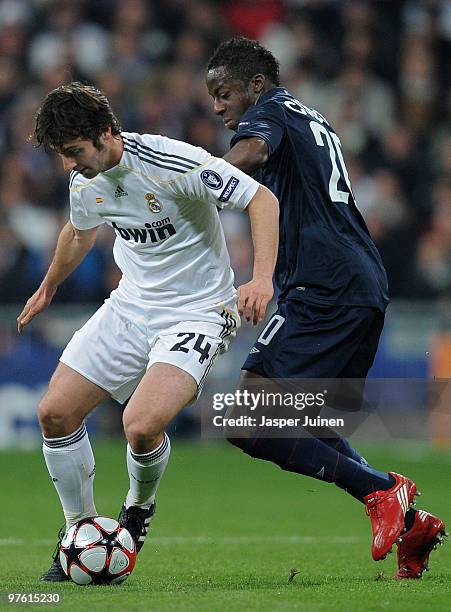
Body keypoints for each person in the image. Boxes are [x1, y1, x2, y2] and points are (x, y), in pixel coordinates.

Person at [17, 82, 279, 581]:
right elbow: (78, 231)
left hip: (199, 311)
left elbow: (261, 200)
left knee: (139, 424)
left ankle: (137, 509)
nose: (69, 166)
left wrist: (261, 277)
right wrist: (48, 287)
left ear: (105, 133)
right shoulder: (85, 179)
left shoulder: (173, 162)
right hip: (131, 308)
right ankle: (81, 530)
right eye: (62, 156)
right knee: (54, 413)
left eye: (74, 153)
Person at [206, 37, 447, 579]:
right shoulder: (308, 115)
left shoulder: (269, 114)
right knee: (300, 419)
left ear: (256, 87)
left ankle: (383, 491)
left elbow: (253, 154)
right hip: (356, 280)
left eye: (224, 94)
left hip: (324, 283)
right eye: (212, 97)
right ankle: (410, 522)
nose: (218, 107)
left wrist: (196, 179)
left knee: (246, 419)